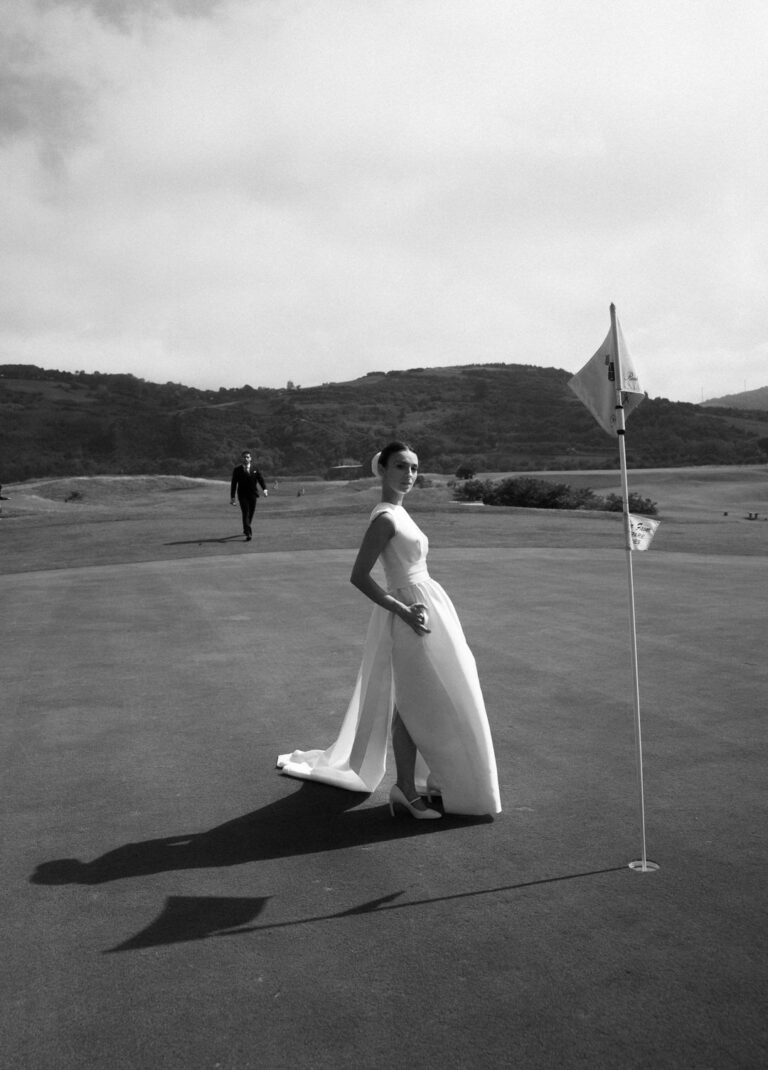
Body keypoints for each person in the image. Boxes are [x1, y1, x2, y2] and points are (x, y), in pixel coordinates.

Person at [277, 441, 501, 819]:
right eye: (401, 467)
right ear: (382, 469)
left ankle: (426, 785)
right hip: (410, 616)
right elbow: (359, 576)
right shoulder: (384, 517)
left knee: (436, 697)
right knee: (415, 704)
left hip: (431, 610)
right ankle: (406, 790)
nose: (410, 475)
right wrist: (402, 610)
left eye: (414, 468)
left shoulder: (401, 511)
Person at [230, 451, 268, 541]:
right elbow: (234, 484)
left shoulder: (255, 468)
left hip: (253, 494)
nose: (246, 459)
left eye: (247, 457)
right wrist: (232, 497)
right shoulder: (237, 470)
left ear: (250, 458)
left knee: (251, 513)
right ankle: (249, 533)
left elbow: (260, 479)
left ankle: (246, 528)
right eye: (244, 457)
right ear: (241, 459)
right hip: (242, 495)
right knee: (245, 513)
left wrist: (265, 489)